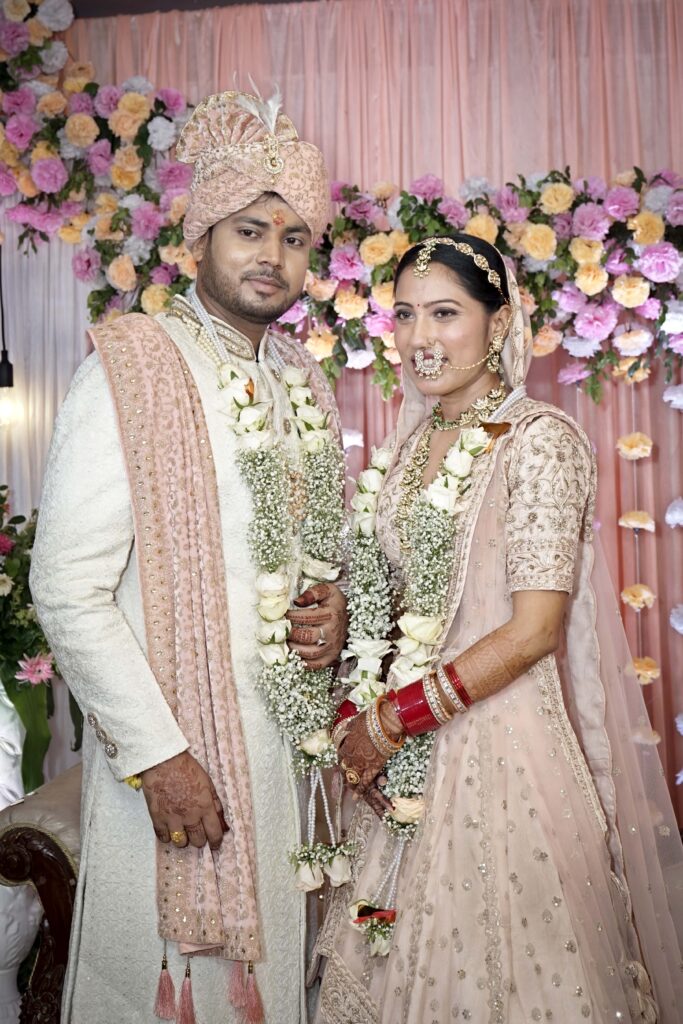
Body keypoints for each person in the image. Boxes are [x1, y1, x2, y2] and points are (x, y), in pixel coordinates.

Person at [30, 90, 348, 1024]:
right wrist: (160, 757)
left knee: (280, 988)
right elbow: (67, 588)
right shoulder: (131, 367)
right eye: (249, 230)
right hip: (176, 760)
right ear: (199, 238)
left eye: (294, 239)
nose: (272, 256)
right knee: (167, 994)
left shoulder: (300, 378)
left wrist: (331, 607)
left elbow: (312, 549)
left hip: (289, 761)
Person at [313, 234, 683, 1023]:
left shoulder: (538, 440)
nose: (419, 338)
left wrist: (390, 721)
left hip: (502, 746)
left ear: (499, 322)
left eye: (444, 314)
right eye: (404, 315)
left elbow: (534, 629)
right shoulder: (407, 448)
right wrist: (356, 695)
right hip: (401, 756)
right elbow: (392, 602)